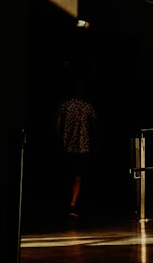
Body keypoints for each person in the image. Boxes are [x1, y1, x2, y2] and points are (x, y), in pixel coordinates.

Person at [55, 79, 98, 217]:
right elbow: (93, 127)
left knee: (66, 175)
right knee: (77, 177)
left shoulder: (65, 106)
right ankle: (73, 203)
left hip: (67, 146)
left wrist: (60, 139)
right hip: (82, 146)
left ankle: (66, 202)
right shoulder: (87, 107)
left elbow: (57, 125)